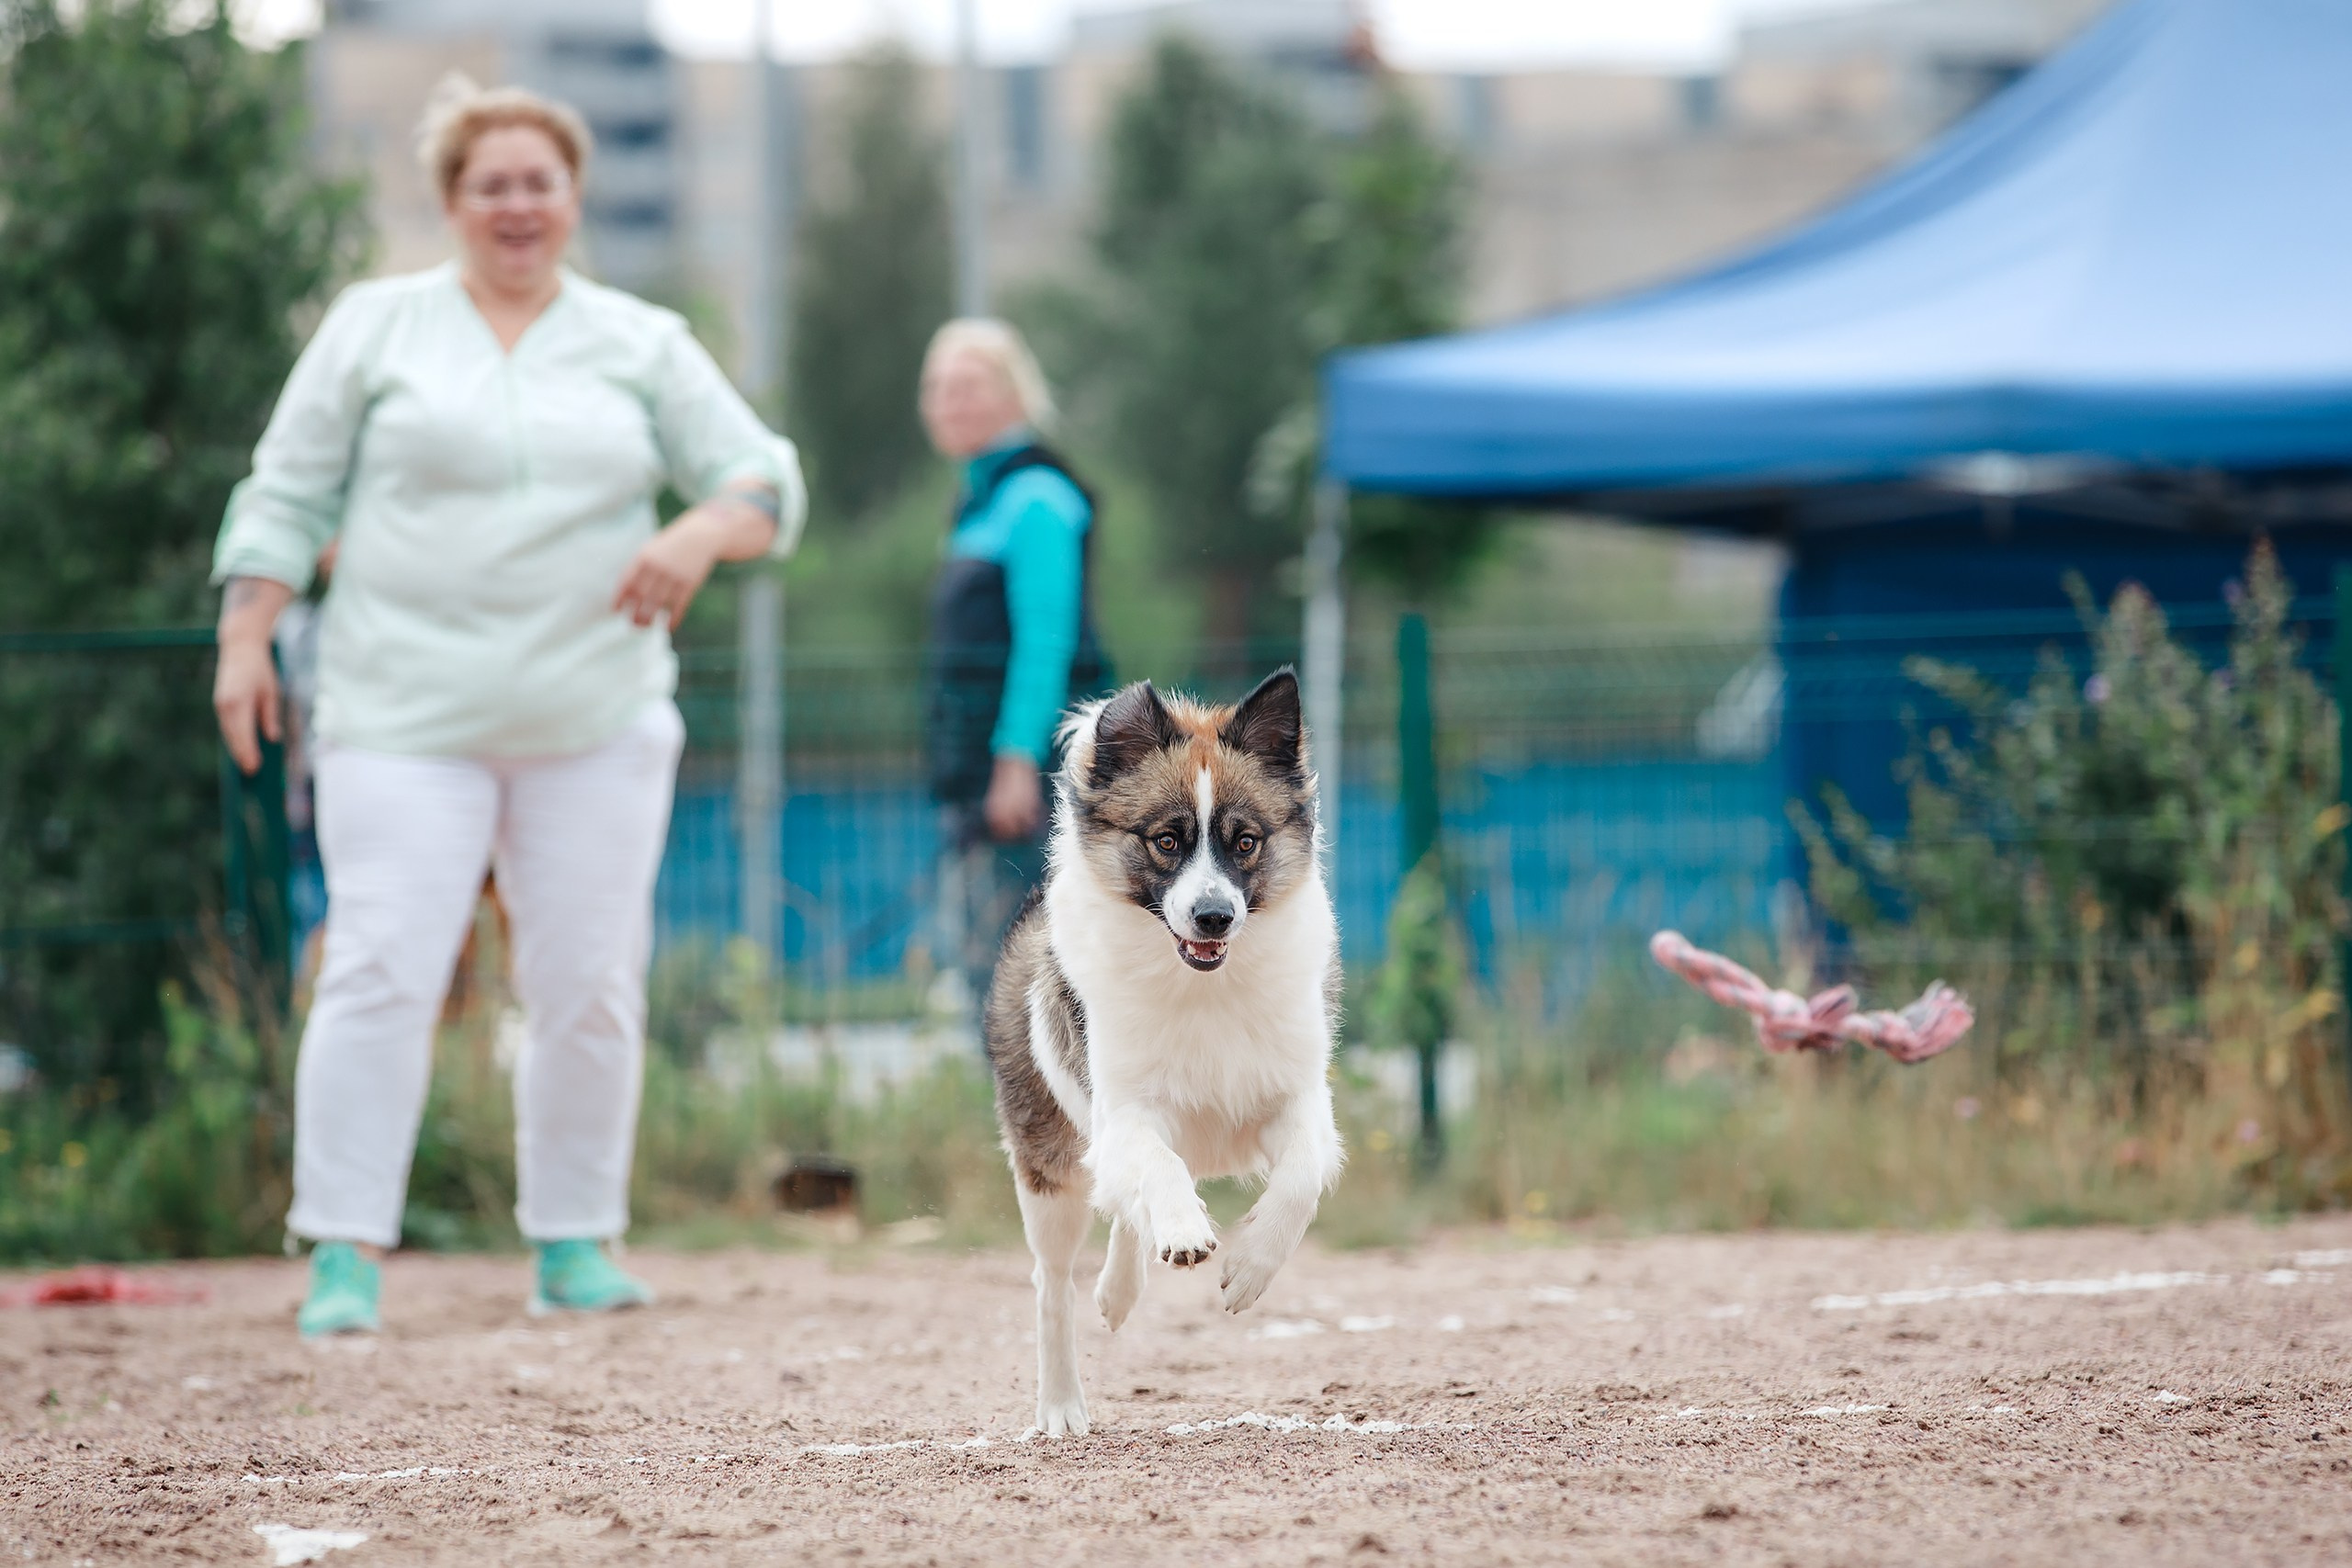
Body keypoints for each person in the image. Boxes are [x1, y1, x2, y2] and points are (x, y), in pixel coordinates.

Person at [209, 78, 805, 1337]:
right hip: (400, 714)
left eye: (542, 182)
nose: (519, 204)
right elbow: (286, 491)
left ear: (575, 197)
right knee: (380, 966)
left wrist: (698, 531)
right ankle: (344, 1246)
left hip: (593, 715)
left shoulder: (639, 341)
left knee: (587, 980)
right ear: (452, 201)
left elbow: (762, 477)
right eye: (494, 184)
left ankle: (576, 1241)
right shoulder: (375, 328)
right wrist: (245, 633)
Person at [917, 321, 1107, 998]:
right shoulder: (981, 502)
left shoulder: (1037, 500)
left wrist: (1016, 761)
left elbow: (1045, 641)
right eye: (936, 387)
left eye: (967, 386)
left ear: (1015, 395)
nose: (948, 402)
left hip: (1026, 780)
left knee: (1019, 978)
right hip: (978, 776)